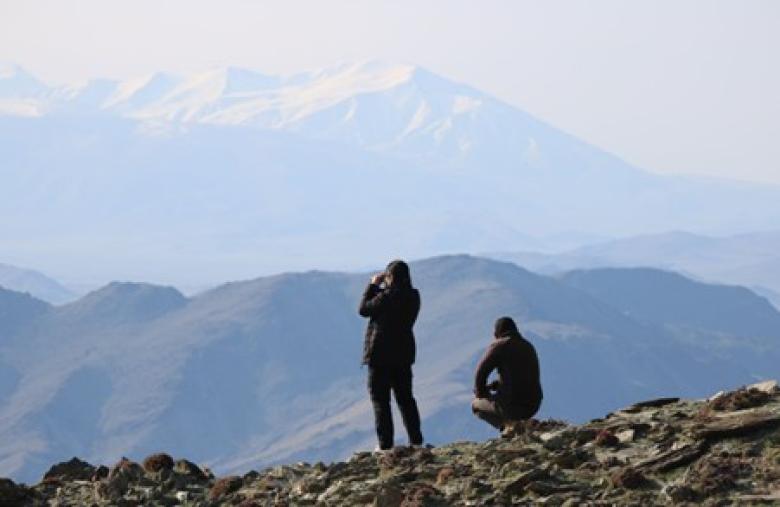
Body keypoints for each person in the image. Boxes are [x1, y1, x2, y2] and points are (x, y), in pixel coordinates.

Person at [358, 259, 424, 450]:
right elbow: (393, 299)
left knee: (380, 400)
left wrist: (372, 285)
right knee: (405, 399)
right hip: (403, 355)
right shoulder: (413, 296)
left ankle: (386, 444)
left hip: (380, 357)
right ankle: (416, 440)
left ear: (391, 277)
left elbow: (363, 309)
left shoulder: (385, 298)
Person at [472, 316, 542, 432]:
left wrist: (481, 392)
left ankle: (508, 428)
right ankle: (522, 424)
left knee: (476, 405)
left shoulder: (499, 345)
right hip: (533, 405)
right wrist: (498, 384)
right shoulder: (528, 346)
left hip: (511, 407)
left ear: (496, 334)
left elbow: (480, 373)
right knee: (506, 402)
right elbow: (521, 375)